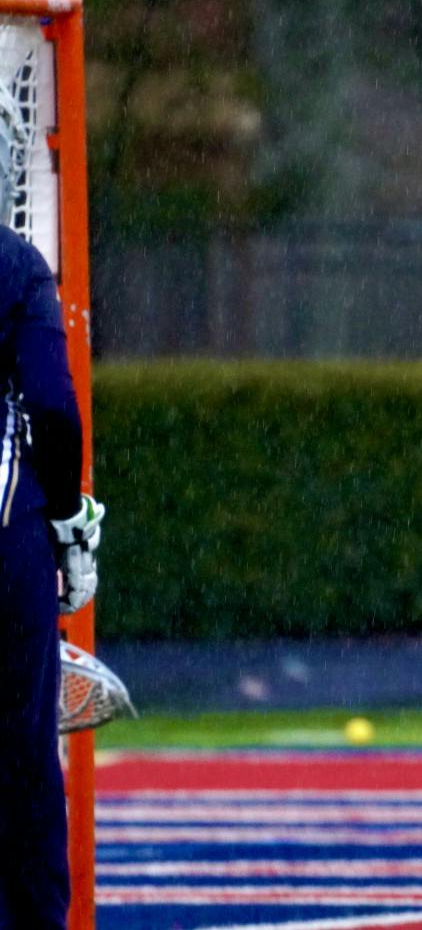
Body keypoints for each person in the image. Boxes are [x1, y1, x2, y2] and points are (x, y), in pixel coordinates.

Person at [0, 224, 102, 930]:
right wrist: (68, 519)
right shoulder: (14, 264)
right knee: (23, 762)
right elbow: (53, 408)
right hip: (8, 539)